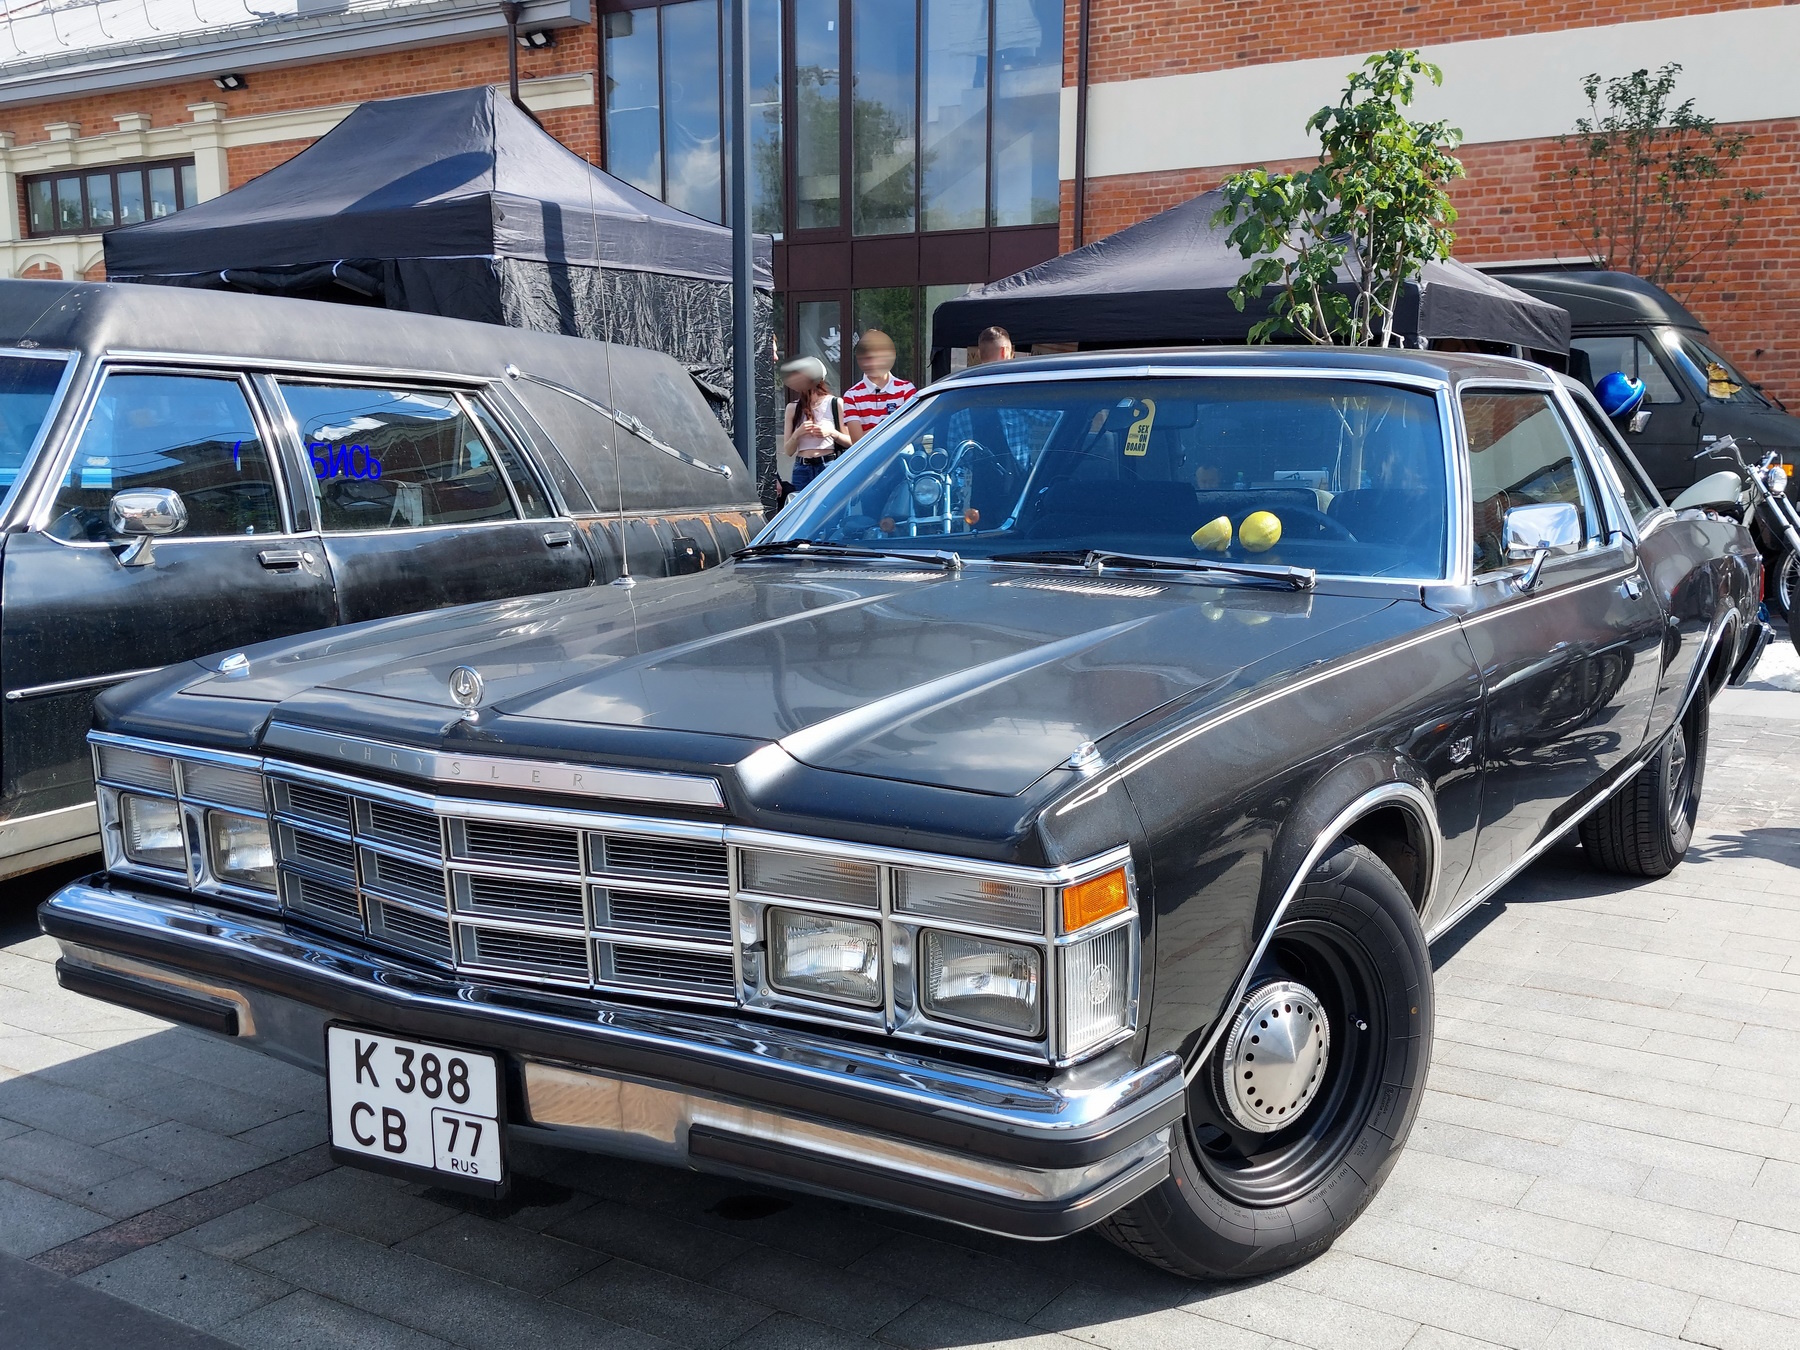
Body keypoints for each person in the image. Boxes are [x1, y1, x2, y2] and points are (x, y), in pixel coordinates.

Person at [780, 356, 850, 494]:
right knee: (802, 513)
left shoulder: (835, 404)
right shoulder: (792, 408)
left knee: (833, 509)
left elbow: (851, 442)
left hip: (829, 465)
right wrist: (797, 434)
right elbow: (788, 451)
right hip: (802, 468)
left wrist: (831, 432)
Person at [843, 330, 916, 443]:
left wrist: (868, 433)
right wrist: (894, 426)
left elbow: (914, 435)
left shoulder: (906, 389)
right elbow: (857, 442)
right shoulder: (851, 395)